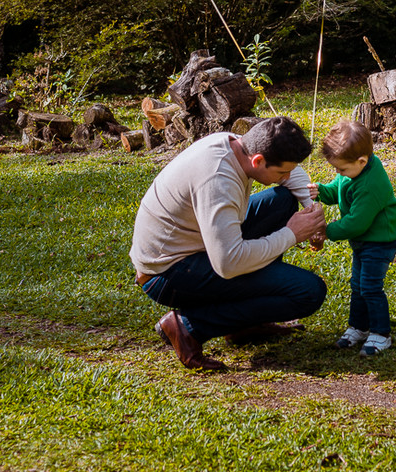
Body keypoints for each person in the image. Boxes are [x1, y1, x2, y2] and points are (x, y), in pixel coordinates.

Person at [130, 116, 328, 371]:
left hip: (199, 246)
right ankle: (187, 326)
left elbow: (294, 174)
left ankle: (244, 326)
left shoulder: (234, 144)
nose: (287, 176)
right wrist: (292, 234)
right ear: (258, 160)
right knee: (308, 292)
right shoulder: (217, 181)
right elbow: (229, 264)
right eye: (281, 172)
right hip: (167, 273)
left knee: (283, 200)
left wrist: (311, 210)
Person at [308, 119, 396, 357]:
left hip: (379, 241)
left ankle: (381, 333)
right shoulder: (354, 169)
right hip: (363, 241)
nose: (338, 173)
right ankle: (358, 327)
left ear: (361, 161)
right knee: (357, 285)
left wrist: (325, 230)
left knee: (370, 287)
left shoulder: (370, 184)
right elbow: (338, 190)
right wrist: (320, 190)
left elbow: (356, 223)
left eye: (341, 169)